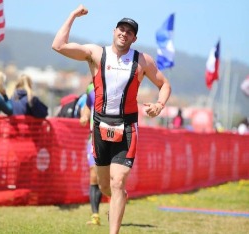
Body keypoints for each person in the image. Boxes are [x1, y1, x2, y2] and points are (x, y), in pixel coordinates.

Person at [52, 5, 171, 234]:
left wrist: (159, 104)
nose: (124, 33)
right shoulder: (96, 53)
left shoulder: (142, 60)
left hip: (127, 127)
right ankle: (118, 201)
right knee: (106, 185)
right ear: (113, 31)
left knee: (118, 183)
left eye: (129, 31)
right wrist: (72, 16)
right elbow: (58, 45)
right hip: (99, 126)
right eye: (121, 29)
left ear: (134, 38)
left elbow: (164, 84)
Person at [79, 82, 103, 226]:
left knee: (109, 179)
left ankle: (116, 205)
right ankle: (95, 215)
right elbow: (87, 106)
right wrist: (84, 116)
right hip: (93, 138)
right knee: (94, 175)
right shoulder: (90, 89)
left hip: (112, 137)